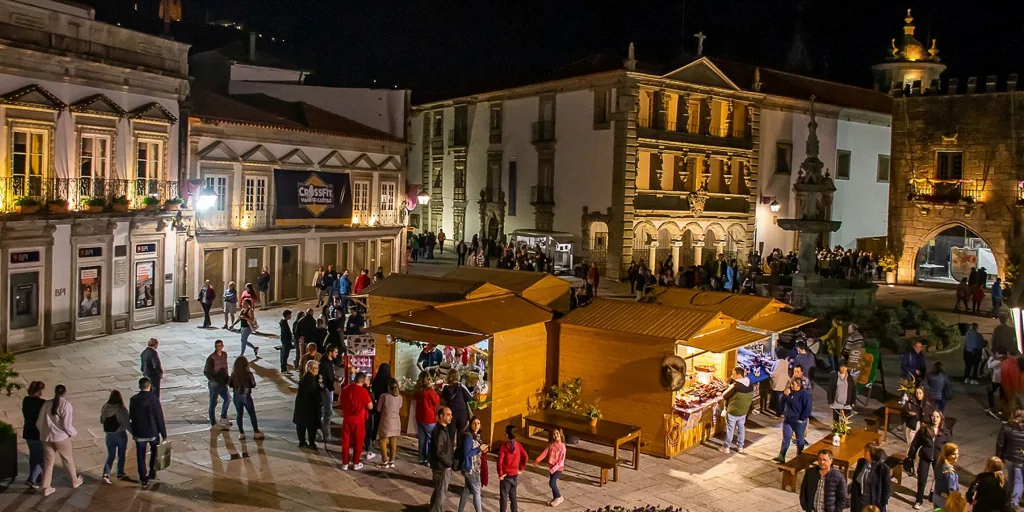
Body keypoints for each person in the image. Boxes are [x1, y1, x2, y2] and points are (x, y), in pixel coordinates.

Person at [36, 384, 82, 496]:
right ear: (64, 393)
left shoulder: (47, 404)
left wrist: (43, 433)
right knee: (68, 460)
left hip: (47, 437)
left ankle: (46, 487)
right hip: (61, 438)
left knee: (48, 462)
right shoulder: (66, 405)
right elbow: (66, 425)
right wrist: (72, 433)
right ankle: (74, 481)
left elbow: (39, 421)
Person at [128, 377, 165, 487]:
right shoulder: (153, 400)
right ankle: (152, 471)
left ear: (140, 386)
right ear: (149, 386)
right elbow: (159, 417)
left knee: (140, 455)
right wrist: (164, 433)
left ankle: (143, 478)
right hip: (152, 432)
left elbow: (131, 416)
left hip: (139, 432)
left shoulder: (133, 400)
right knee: (155, 451)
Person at [908, 416, 950, 509]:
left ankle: (934, 495)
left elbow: (949, 446)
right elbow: (915, 443)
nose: (935, 418)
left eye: (937, 417)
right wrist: (911, 456)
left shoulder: (945, 432)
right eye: (933, 416)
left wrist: (949, 459)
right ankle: (919, 500)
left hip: (938, 458)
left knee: (939, 479)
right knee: (922, 479)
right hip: (925, 457)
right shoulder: (924, 429)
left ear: (941, 418)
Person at [340, 371, 373, 470]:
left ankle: (345, 464)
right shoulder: (364, 392)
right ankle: (356, 463)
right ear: (363, 381)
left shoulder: (346, 389)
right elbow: (370, 406)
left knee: (346, 441)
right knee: (358, 442)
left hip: (347, 419)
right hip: (359, 420)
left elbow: (339, 401)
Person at [774, 377, 812, 463]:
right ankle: (781, 455)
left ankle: (799, 456)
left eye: (793, 384)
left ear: (798, 385)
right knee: (786, 438)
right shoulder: (790, 393)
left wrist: (801, 419)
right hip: (788, 420)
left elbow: (807, 409)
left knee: (799, 439)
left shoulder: (804, 395)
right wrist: (784, 395)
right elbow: (782, 402)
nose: (791, 386)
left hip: (798, 422)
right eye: (791, 384)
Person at [99, 390, 131, 484]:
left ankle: (106, 474)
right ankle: (120, 473)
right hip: (120, 434)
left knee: (111, 455)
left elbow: (101, 421)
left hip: (109, 435)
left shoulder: (105, 407)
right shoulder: (121, 409)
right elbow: (126, 424)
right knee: (121, 455)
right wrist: (135, 434)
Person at [229, 356, 263, 440]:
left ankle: (241, 433)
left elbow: (230, 384)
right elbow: (253, 384)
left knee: (239, 414)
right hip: (246, 396)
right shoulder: (248, 374)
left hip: (237, 396)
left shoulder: (234, 374)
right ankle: (256, 432)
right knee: (252, 414)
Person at [458, 416, 488, 512]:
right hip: (470, 468)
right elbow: (466, 453)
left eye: (478, 423)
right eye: (474, 423)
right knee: (476, 491)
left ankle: (460, 510)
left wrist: (483, 450)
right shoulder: (468, 436)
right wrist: (479, 449)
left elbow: (478, 452)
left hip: (476, 467)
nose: (476, 425)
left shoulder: (478, 436)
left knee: (467, 489)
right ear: (470, 425)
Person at [850, 443, 891, 512]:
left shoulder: (883, 468)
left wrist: (883, 503)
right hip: (859, 499)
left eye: (866, 451)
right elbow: (856, 479)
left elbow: (887, 488)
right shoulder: (861, 462)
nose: (864, 452)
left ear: (872, 453)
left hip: (873, 501)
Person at [720, 366, 753, 454]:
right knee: (741, 428)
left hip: (733, 411)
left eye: (734, 374)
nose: (732, 376)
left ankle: (727, 447)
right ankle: (740, 447)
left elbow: (724, 395)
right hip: (743, 411)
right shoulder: (750, 383)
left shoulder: (736, 385)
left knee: (730, 429)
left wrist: (730, 385)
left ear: (739, 375)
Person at [430, 405, 456, 512]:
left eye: (451, 415)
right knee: (441, 494)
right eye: (448, 415)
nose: (451, 417)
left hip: (441, 466)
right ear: (441, 416)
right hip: (441, 468)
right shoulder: (440, 432)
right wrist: (448, 463)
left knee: (438, 491)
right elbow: (439, 452)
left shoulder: (443, 429)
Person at [497, 424, 528, 512]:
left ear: (506, 435)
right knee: (513, 495)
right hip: (514, 474)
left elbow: (500, 461)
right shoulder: (518, 445)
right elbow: (525, 456)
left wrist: (500, 474)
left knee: (503, 496)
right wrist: (521, 468)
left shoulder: (504, 447)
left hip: (506, 475)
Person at [997, 410, 1024, 508]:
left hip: (1008, 457)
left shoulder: (1006, 427)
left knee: (1011, 478)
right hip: (1021, 458)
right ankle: (1014, 501)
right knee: (1019, 480)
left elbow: (1000, 443)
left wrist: (998, 456)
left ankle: (1007, 499)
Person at [294, 360, 323, 450]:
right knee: (311, 426)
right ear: (311, 369)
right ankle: (311, 443)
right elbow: (313, 394)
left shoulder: (306, 378)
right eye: (316, 368)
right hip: (309, 407)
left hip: (302, 406)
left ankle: (302, 441)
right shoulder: (310, 380)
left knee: (301, 425)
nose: (318, 370)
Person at [22, 381, 46, 489]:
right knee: (41, 458)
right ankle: (32, 479)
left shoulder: (26, 400)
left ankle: (38, 478)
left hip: (28, 432)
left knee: (33, 456)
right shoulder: (42, 403)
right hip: (38, 433)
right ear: (40, 391)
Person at [204, 339, 232, 429]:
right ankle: (213, 422)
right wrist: (213, 380)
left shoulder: (224, 355)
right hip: (214, 384)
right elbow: (206, 371)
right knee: (213, 403)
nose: (218, 348)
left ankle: (223, 417)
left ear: (222, 346)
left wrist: (227, 378)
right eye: (217, 346)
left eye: (220, 346)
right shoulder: (211, 358)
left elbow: (225, 367)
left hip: (223, 382)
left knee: (227, 399)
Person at [534, 428, 567, 507]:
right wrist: (537, 460)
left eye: (557, 433)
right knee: (553, 483)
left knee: (551, 483)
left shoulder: (562, 447)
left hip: (558, 468)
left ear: (560, 435)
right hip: (551, 466)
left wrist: (554, 469)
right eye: (554, 434)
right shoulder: (551, 445)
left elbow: (561, 461)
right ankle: (555, 498)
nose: (555, 435)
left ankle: (559, 497)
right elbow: (544, 453)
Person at [367, 363, 393, 460]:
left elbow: (373, 389)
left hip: (377, 403)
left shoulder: (376, 379)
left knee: (376, 422)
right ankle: (384, 439)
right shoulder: (389, 380)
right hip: (386, 404)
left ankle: (373, 438)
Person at [415, 371, 441, 464]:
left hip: (419, 417)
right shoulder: (430, 391)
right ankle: (429, 459)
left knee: (422, 439)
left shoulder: (418, 390)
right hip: (429, 418)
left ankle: (421, 458)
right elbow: (436, 402)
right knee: (431, 439)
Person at [377, 379, 403, 468]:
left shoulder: (384, 396)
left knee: (383, 441)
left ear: (388, 387)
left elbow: (378, 409)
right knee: (393, 442)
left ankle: (384, 461)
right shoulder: (400, 397)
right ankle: (392, 460)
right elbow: (399, 407)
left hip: (386, 421)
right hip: (396, 421)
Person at [443, 370, 474, 436]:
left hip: (450, 413)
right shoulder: (461, 386)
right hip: (462, 413)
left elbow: (444, 398)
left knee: (450, 435)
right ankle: (460, 446)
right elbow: (469, 398)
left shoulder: (445, 388)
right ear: (458, 377)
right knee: (461, 435)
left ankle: (450, 446)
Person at [319, 345, 340, 442]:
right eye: (335, 352)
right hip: (326, 390)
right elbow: (320, 378)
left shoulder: (330, 361)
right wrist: (325, 388)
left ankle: (326, 433)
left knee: (328, 411)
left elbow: (330, 374)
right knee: (328, 412)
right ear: (330, 352)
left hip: (330, 388)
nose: (337, 354)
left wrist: (335, 379)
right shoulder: (324, 363)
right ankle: (327, 436)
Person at [826, 357, 856, 421]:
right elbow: (830, 389)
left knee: (846, 421)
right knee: (836, 420)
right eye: (842, 367)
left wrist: (853, 401)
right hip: (836, 403)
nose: (843, 369)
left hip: (846, 403)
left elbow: (853, 390)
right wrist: (830, 401)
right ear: (839, 367)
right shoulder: (834, 376)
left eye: (845, 367)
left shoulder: (850, 378)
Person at [933, 442, 960, 509]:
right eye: (953, 454)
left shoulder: (939, 464)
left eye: (957, 453)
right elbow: (951, 489)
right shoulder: (949, 471)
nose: (956, 456)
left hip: (936, 495)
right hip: (946, 500)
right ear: (947, 455)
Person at [986, 348, 1006, 418]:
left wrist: (990, 358)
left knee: (990, 392)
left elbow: (990, 365)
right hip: (1003, 379)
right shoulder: (1005, 358)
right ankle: (1002, 409)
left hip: (997, 379)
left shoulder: (998, 359)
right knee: (1002, 395)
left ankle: (991, 407)